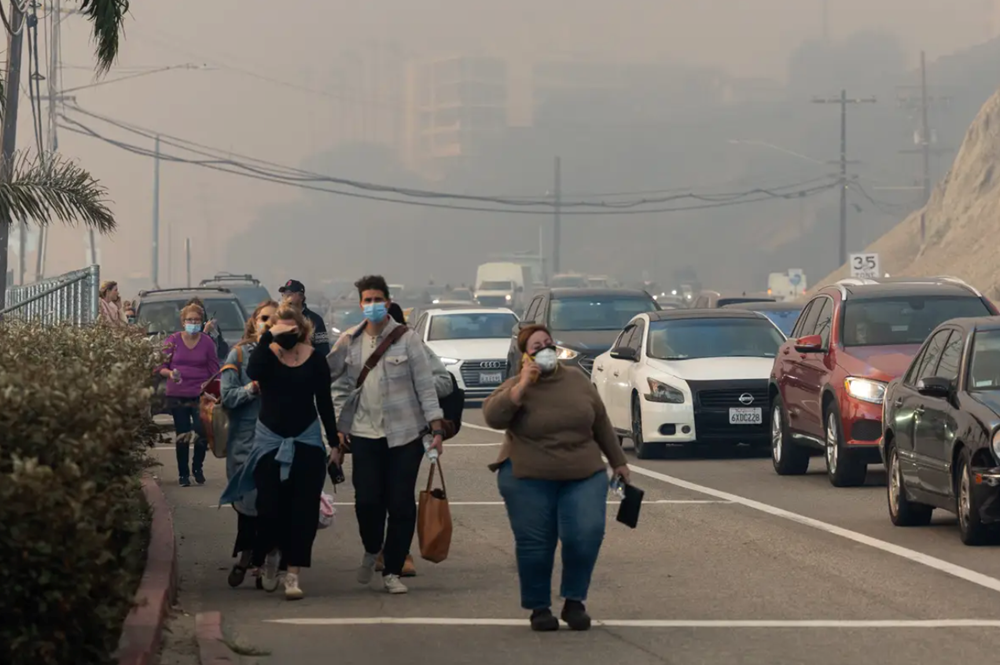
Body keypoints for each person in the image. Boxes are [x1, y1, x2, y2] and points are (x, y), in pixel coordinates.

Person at [483, 323, 631, 632]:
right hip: (527, 476)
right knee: (536, 544)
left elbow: (601, 421)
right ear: (525, 356)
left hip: (583, 473)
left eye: (548, 343)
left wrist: (618, 462)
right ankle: (539, 608)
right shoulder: (516, 385)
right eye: (536, 347)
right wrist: (521, 386)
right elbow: (493, 417)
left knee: (585, 534)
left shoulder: (577, 380)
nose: (545, 350)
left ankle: (574, 602)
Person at [329, 275, 444, 595]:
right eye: (367, 300)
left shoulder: (408, 340)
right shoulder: (349, 341)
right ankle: (371, 549)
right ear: (360, 303)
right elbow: (324, 374)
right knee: (367, 501)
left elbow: (425, 385)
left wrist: (436, 428)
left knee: (401, 504)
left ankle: (392, 569)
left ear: (388, 302)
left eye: (378, 299)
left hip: (405, 435)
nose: (373, 305)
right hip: (364, 435)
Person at [220, 305, 338, 601]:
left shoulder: (316, 361)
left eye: (291, 330)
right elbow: (254, 372)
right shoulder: (266, 357)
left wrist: (335, 443)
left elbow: (324, 402)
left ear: (303, 330)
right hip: (269, 443)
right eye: (279, 329)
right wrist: (268, 338)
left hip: (307, 443)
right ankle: (270, 559)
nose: (286, 335)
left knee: (303, 513)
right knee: (270, 510)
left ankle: (293, 574)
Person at [220, 299, 278, 588]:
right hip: (245, 444)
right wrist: (251, 389)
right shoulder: (239, 354)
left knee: (273, 505)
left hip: (279, 443)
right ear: (254, 321)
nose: (268, 323)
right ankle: (247, 557)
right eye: (264, 318)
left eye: (275, 318)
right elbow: (227, 396)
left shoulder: (291, 354)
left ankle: (262, 562)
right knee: (249, 505)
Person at [158, 303, 220, 487]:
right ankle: (183, 474)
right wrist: (170, 374)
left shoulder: (207, 342)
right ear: (183, 322)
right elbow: (160, 366)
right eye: (189, 320)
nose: (193, 323)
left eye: (197, 320)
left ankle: (197, 468)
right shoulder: (173, 340)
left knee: (202, 432)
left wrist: (210, 385)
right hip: (177, 393)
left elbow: (215, 369)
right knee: (183, 433)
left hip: (200, 395)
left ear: (202, 322)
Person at [279, 279, 331, 357]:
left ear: (301, 297)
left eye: (290, 294)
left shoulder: (315, 320)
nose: (286, 298)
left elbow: (323, 351)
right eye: (284, 294)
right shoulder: (279, 318)